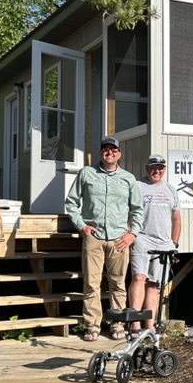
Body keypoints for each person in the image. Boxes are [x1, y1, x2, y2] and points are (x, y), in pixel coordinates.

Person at [64, 136, 144, 342]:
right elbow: (71, 203)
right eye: (106, 149)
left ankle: (117, 323)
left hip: (119, 238)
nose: (110, 152)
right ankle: (92, 325)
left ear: (119, 154)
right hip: (95, 238)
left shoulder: (128, 178)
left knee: (117, 283)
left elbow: (137, 209)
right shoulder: (87, 173)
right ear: (101, 153)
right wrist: (82, 227)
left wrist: (132, 233)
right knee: (91, 283)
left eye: (114, 150)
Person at [127, 154, 181, 332]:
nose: (156, 171)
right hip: (142, 238)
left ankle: (149, 327)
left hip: (164, 243)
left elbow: (176, 218)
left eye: (159, 168)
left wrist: (174, 243)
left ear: (164, 170)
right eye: (152, 167)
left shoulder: (171, 190)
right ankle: (134, 324)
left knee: (155, 284)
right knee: (139, 278)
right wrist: (131, 233)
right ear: (146, 169)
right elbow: (128, 211)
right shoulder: (137, 186)